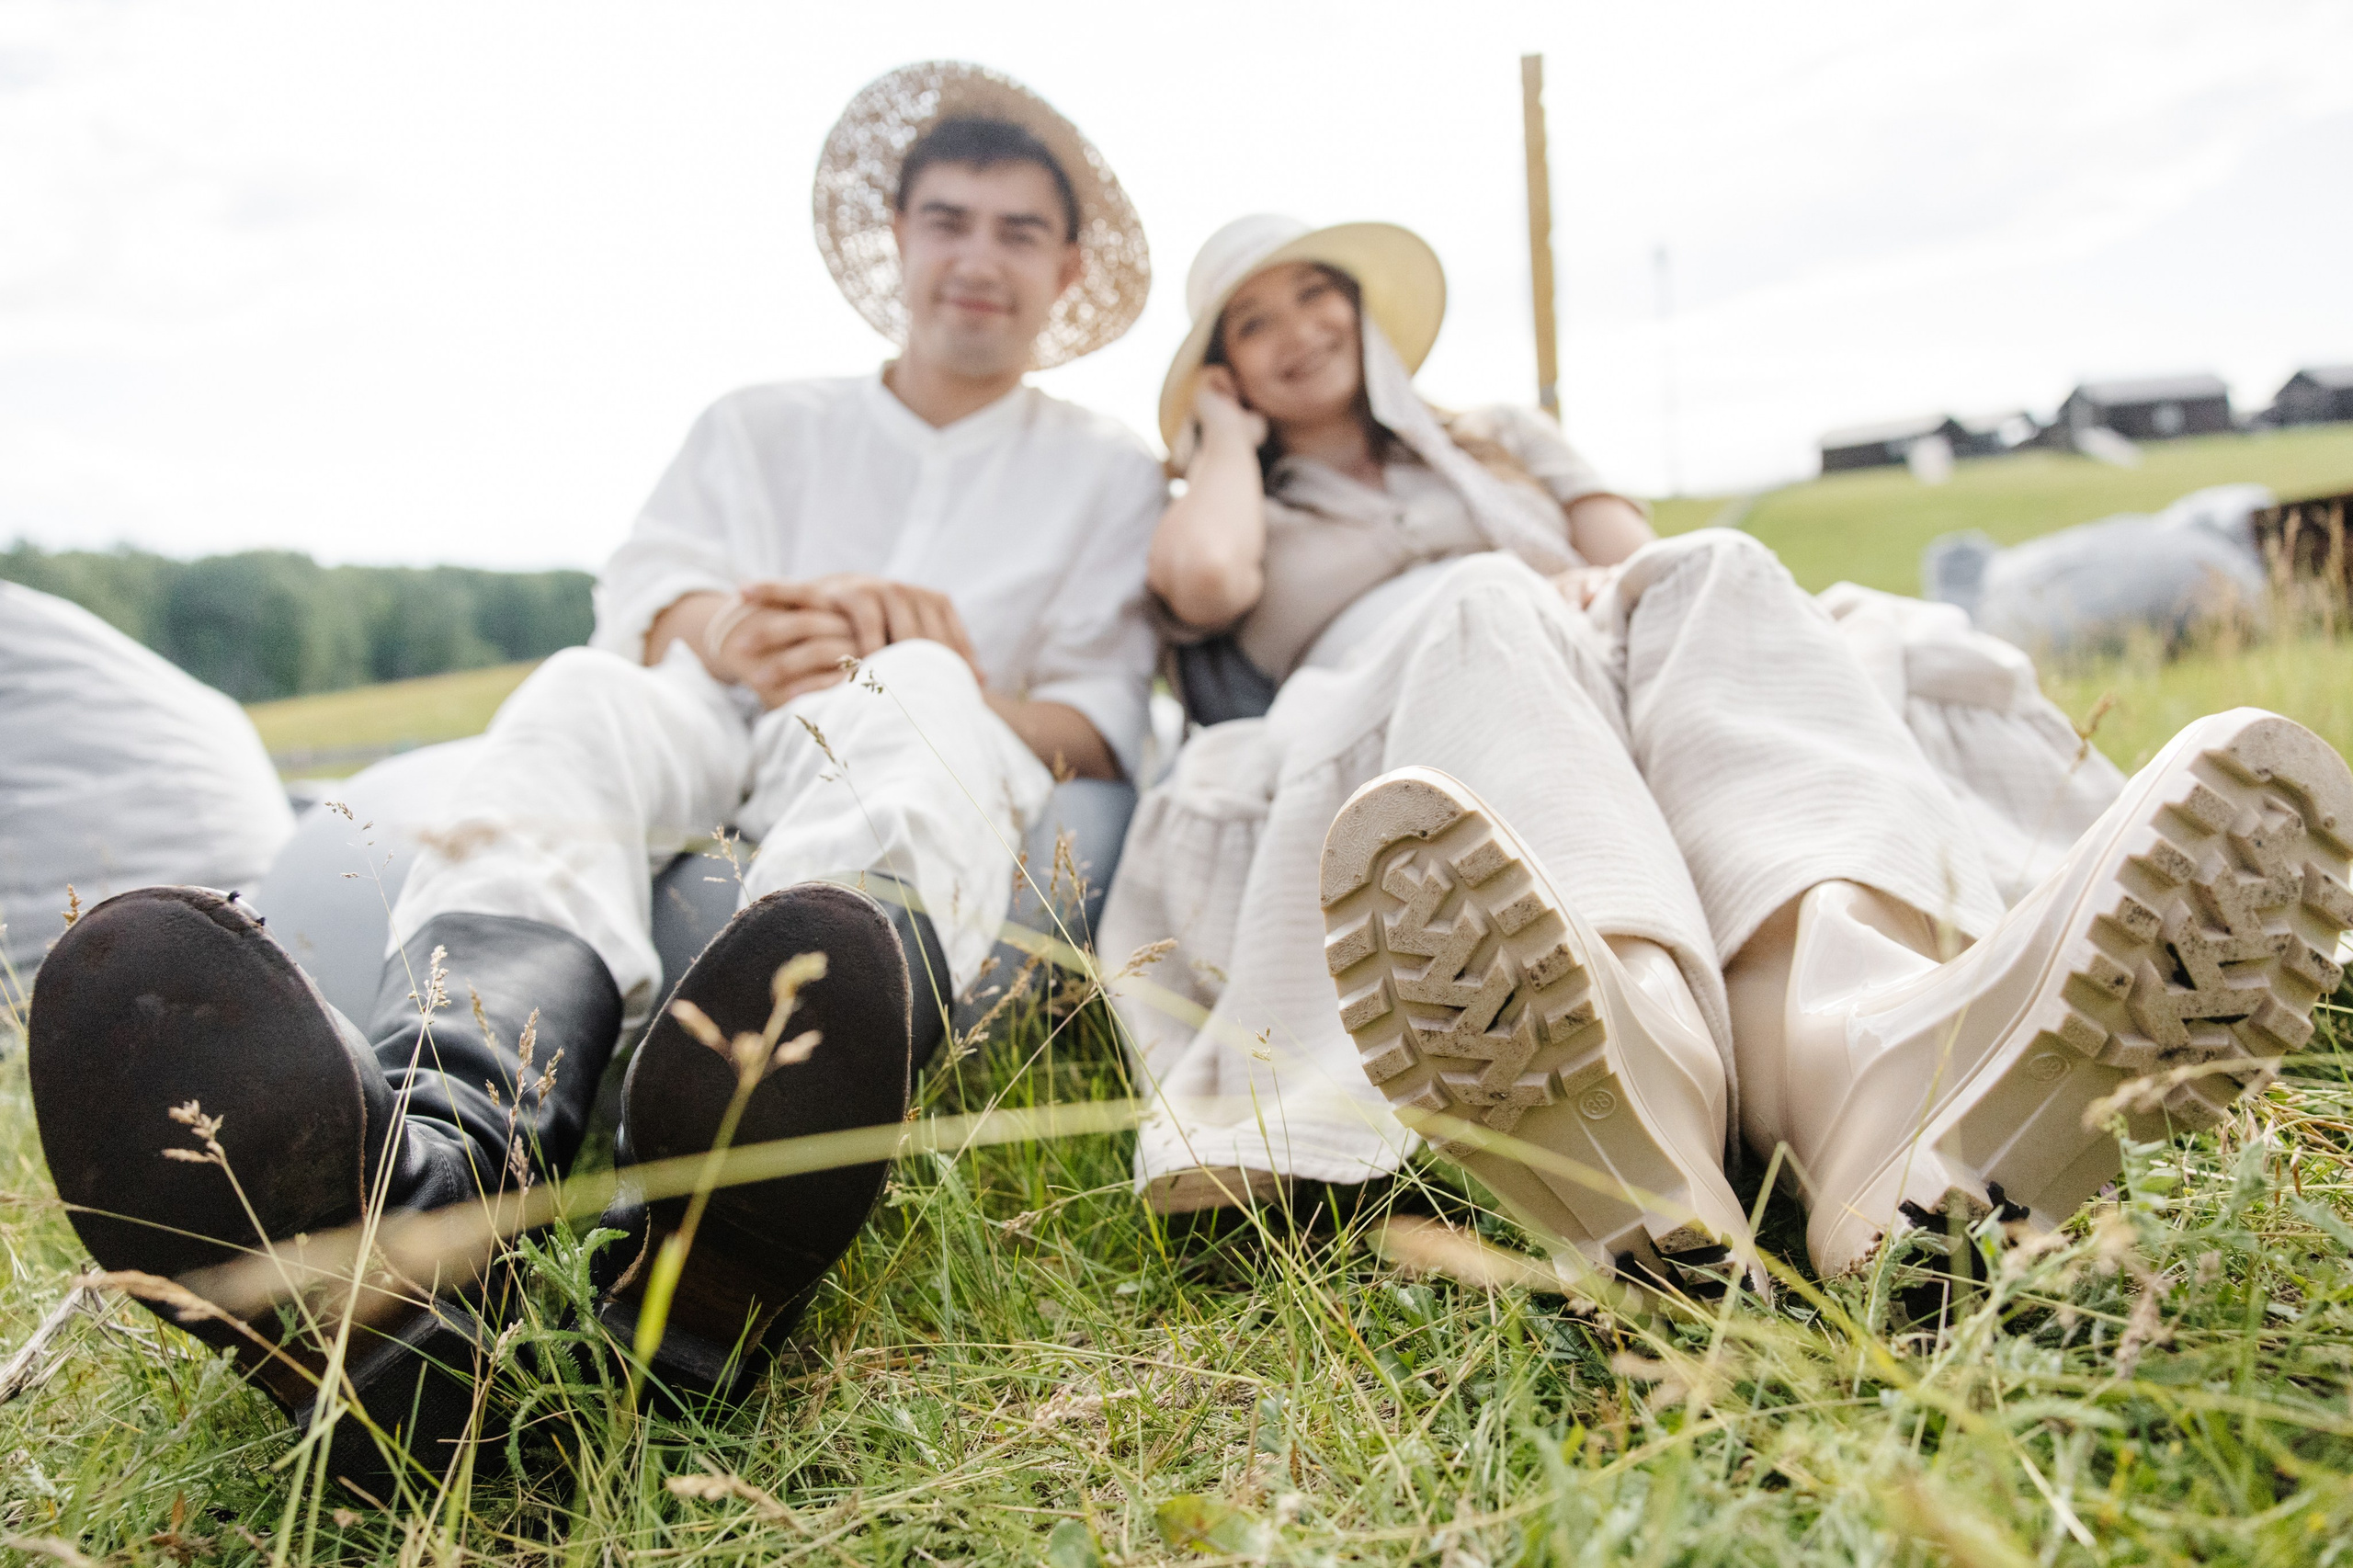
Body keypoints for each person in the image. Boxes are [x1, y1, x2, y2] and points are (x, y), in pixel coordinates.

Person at [28, 61, 1165, 1488]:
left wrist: (934, 655)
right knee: (577, 691)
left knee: (914, 687)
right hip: (725, 701)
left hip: (927, 726)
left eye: (1017, 230)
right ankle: (444, 1167)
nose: (980, 258)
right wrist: (742, 625)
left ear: (1063, 268)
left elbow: (1107, 721)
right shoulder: (764, 421)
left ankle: (737, 1183)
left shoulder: (1108, 471)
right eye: (951, 220)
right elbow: (645, 597)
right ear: (902, 237)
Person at [1100, 214, 2353, 1296]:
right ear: (1225, 374)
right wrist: (1217, 440)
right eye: (1252, 325)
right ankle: (1635, 1047)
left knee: (1720, 569)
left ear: (1363, 310)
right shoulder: (1236, 497)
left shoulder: (1494, 434)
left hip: (1586, 627)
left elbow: (1621, 541)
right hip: (1421, 680)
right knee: (1484, 600)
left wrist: (1580, 586)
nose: (1299, 329)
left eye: (1317, 293)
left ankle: (1861, 1070)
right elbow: (1207, 581)